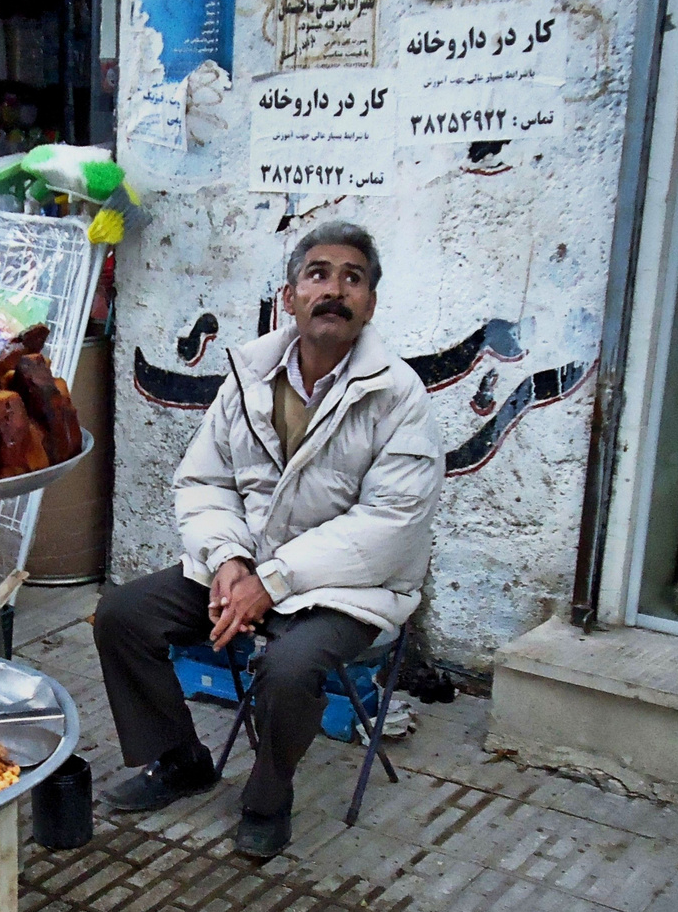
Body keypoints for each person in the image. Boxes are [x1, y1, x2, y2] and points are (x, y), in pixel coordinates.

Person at [93, 222, 444, 858]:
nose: (333, 290)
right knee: (122, 614)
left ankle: (269, 792)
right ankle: (180, 758)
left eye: (352, 278)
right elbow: (203, 481)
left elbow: (389, 526)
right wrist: (227, 558)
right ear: (290, 295)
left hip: (350, 588)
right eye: (318, 274)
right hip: (250, 568)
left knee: (287, 666)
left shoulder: (399, 396)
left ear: (370, 303)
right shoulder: (249, 376)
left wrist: (272, 581)